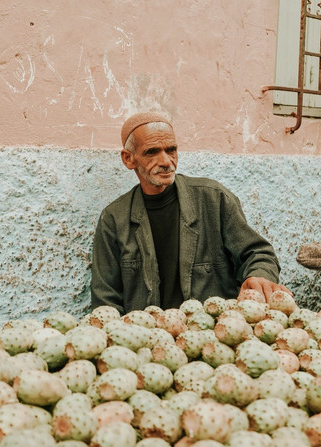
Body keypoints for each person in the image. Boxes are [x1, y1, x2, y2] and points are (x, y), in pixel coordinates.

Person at [90, 111, 291, 314]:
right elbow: (105, 299)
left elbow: (258, 253)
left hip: (213, 334)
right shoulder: (114, 218)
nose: (166, 161)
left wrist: (258, 276)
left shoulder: (214, 199)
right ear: (128, 159)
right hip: (150, 338)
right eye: (152, 152)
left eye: (171, 150)